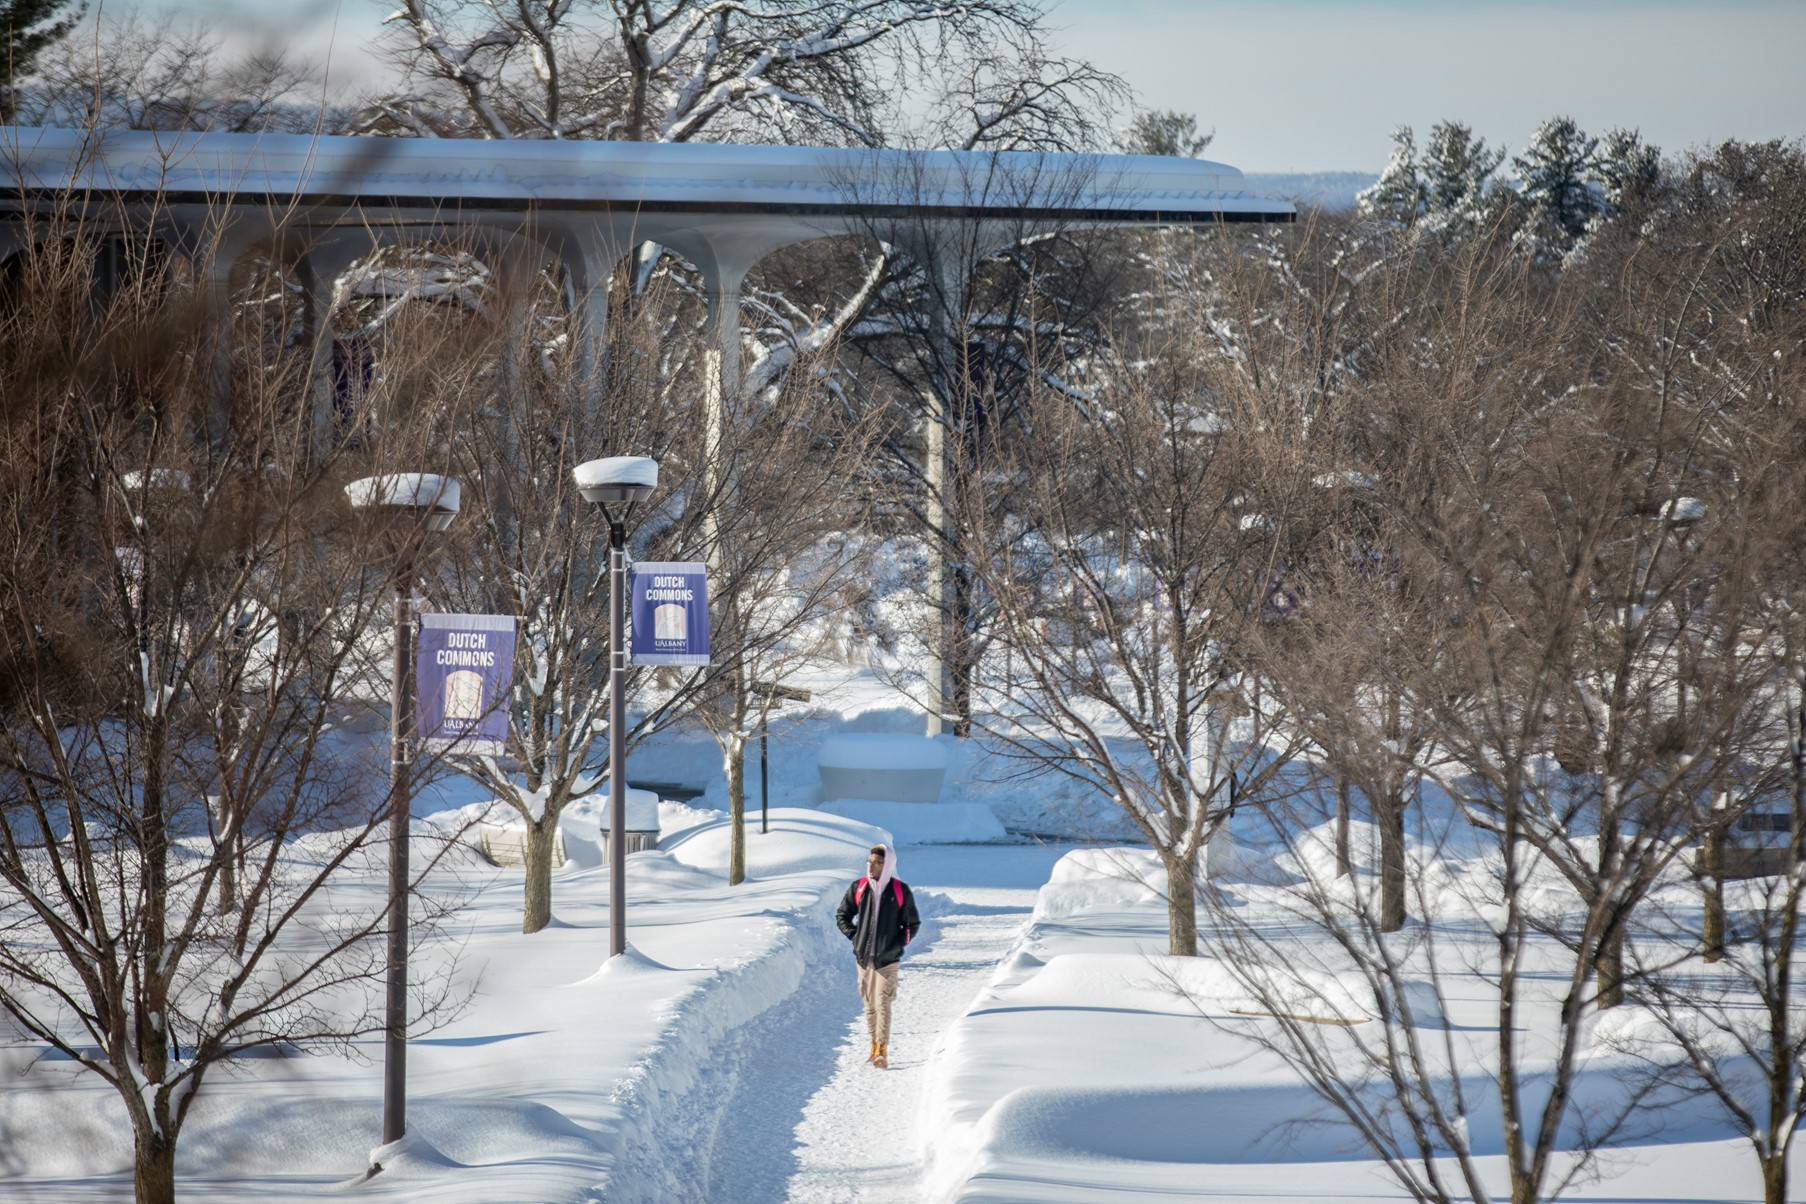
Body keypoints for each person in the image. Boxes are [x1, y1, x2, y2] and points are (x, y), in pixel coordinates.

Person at [835, 842, 920, 1069]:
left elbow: (912, 924)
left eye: (877, 862)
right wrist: (855, 936)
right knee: (869, 1004)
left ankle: (882, 1049)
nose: (872, 866)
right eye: (870, 862)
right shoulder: (859, 888)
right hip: (864, 959)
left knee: (883, 1002)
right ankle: (873, 1045)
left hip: (888, 960)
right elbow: (842, 915)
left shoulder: (900, 891)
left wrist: (897, 944)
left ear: (888, 864)